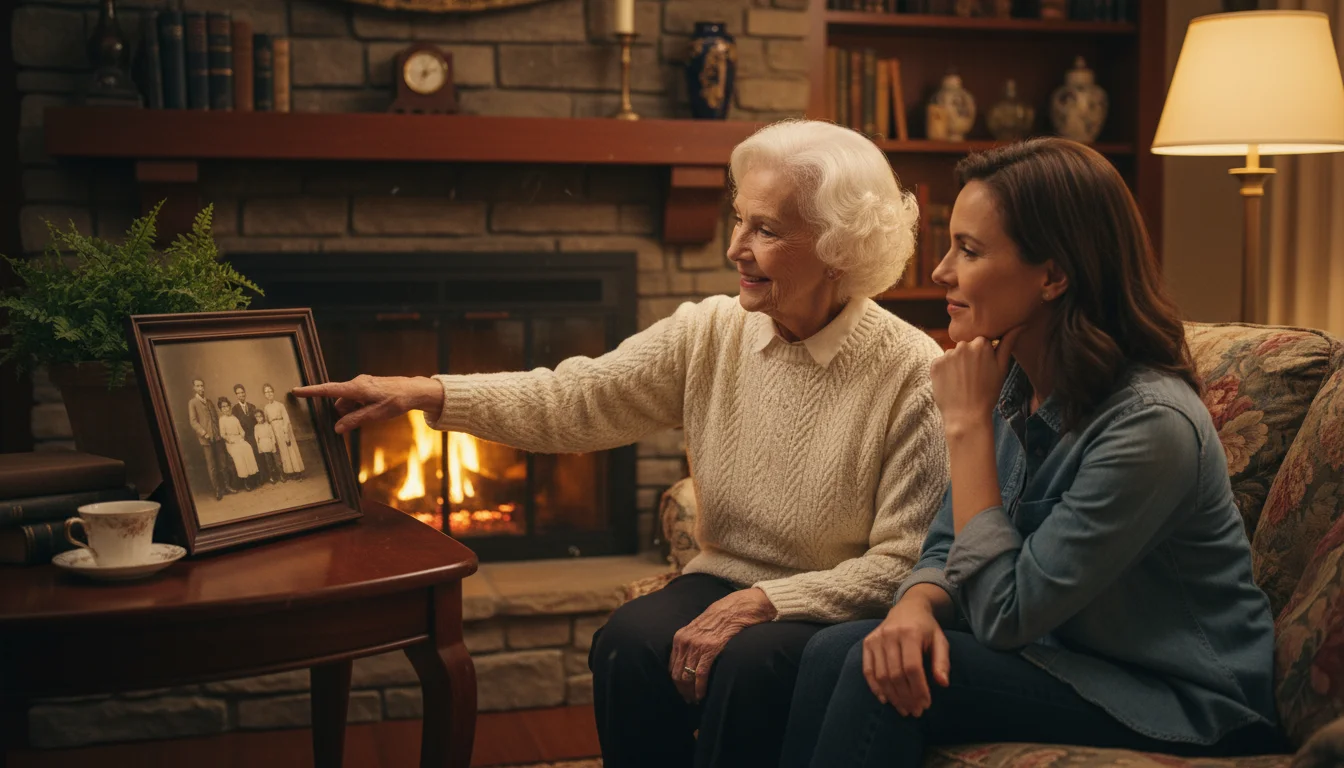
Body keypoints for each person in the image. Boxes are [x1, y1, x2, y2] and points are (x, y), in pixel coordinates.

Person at [293, 119, 950, 768]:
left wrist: (767, 602)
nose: (735, 248)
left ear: (841, 247)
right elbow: (574, 399)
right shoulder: (711, 332)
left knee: (748, 668)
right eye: (738, 218)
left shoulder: (909, 370)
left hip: (832, 599)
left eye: (766, 230)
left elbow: (905, 561)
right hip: (724, 575)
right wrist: (426, 394)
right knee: (627, 643)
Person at [781, 138, 1286, 768]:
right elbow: (945, 546)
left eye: (968, 249)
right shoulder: (1012, 379)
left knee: (870, 672)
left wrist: (964, 428)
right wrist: (913, 606)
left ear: (1053, 274)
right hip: (1063, 656)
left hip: (1182, 700)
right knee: (833, 648)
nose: (939, 271)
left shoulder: (1149, 426)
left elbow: (1004, 613)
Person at [187, 378, 230, 499]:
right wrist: (204, 433)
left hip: (217, 437)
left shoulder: (210, 402)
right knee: (212, 466)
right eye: (198, 386)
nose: (201, 388)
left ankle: (227, 486)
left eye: (202, 385)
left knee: (222, 462)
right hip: (206, 439)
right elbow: (193, 421)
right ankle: (218, 490)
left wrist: (219, 433)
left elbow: (215, 419)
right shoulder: (193, 402)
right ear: (194, 388)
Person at [263, 383, 304, 480]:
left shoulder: (280, 405)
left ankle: (297, 471)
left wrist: (285, 429)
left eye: (270, 391)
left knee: (290, 448)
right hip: (274, 430)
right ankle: (290, 472)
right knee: (283, 450)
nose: (269, 394)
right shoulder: (266, 408)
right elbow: (267, 422)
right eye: (266, 392)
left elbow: (286, 418)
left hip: (283, 427)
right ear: (264, 395)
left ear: (273, 392)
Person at [218, 398, 260, 491]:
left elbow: (241, 430)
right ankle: (245, 481)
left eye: (227, 406)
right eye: (223, 407)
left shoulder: (234, 418)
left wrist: (241, 438)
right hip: (230, 442)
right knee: (238, 453)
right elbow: (222, 434)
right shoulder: (222, 420)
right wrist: (230, 440)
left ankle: (252, 477)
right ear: (221, 409)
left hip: (239, 439)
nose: (226, 409)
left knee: (248, 448)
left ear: (230, 406)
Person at [232, 385, 266, 484]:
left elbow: (257, 422)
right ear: (236, 395)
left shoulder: (252, 406)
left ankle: (262, 477)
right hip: (244, 437)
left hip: (254, 434)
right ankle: (252, 480)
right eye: (238, 393)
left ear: (245, 393)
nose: (241, 395)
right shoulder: (234, 409)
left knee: (258, 453)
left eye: (242, 392)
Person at [252, 411, 282, 486]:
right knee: (269, 462)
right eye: (257, 417)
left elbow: (272, 435)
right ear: (255, 418)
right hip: (263, 444)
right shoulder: (256, 427)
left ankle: (281, 475)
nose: (259, 418)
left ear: (263, 417)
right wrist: (259, 446)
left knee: (277, 460)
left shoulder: (268, 425)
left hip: (270, 443)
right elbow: (256, 438)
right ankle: (272, 477)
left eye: (260, 416)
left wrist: (273, 443)